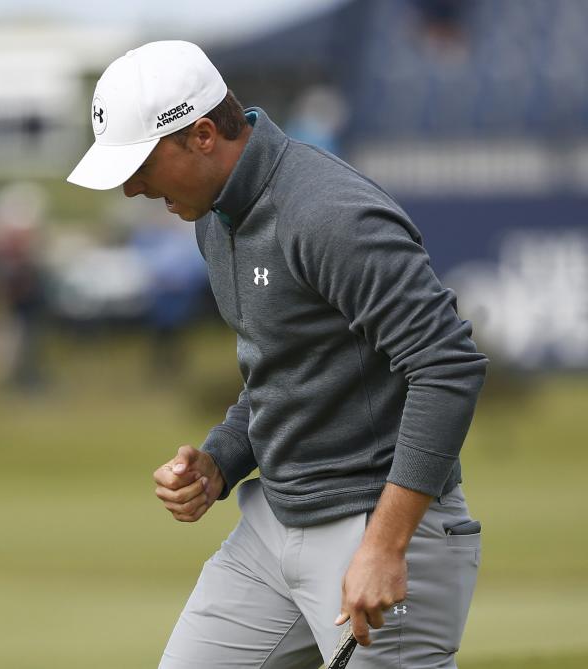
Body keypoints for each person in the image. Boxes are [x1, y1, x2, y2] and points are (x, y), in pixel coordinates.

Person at [67, 41, 487, 668]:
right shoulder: (215, 220)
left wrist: (385, 543)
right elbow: (283, 373)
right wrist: (221, 460)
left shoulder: (327, 214)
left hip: (376, 525)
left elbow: (445, 362)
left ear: (203, 135)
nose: (131, 189)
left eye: (141, 165)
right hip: (273, 524)